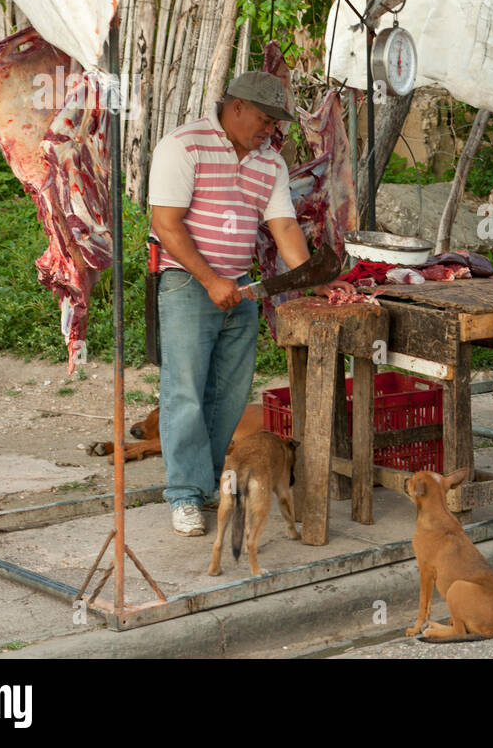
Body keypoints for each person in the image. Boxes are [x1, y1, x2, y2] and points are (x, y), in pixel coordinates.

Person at [148, 70, 352, 536]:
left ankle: (210, 485)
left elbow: (283, 227)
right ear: (235, 106)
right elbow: (167, 224)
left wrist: (309, 279)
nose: (269, 130)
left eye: (275, 123)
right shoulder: (183, 146)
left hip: (239, 288)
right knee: (185, 393)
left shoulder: (270, 163)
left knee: (229, 397)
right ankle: (183, 494)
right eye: (263, 119)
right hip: (185, 284)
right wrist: (209, 278)